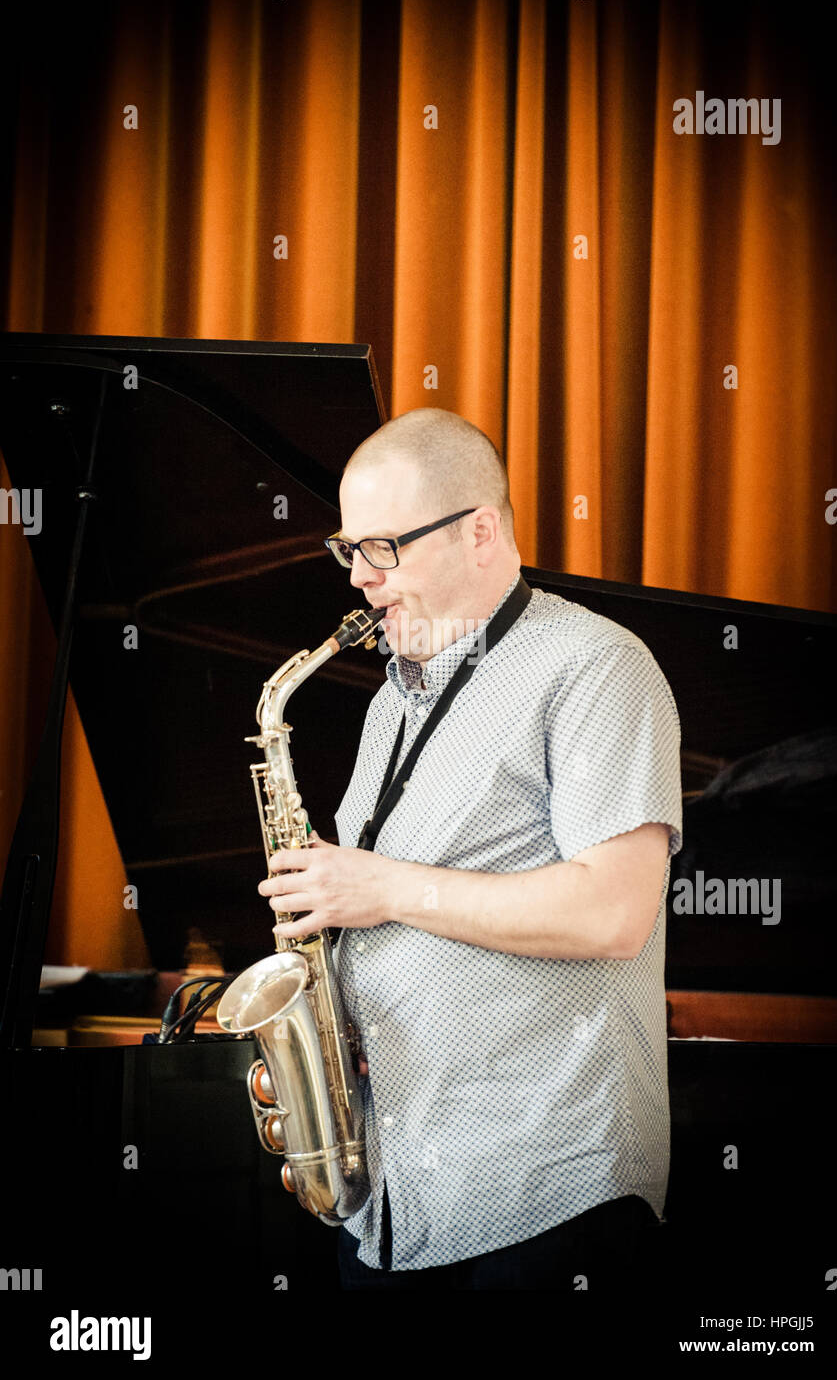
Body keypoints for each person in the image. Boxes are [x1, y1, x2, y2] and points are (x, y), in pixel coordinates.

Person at [258, 407, 683, 1291]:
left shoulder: (596, 667)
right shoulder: (386, 706)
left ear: (481, 532)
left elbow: (613, 913)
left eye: (386, 548)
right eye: (350, 552)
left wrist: (380, 889)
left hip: (544, 1202)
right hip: (390, 1206)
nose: (363, 582)